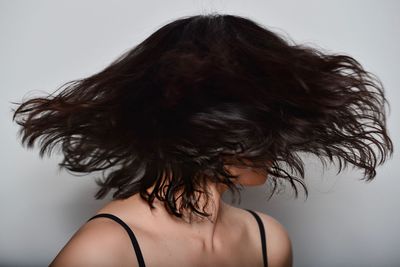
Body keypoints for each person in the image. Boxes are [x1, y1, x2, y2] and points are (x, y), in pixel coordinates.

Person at [11, 13, 393, 267]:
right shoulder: (104, 251)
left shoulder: (269, 241)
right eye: (258, 120)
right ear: (199, 125)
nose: (276, 139)